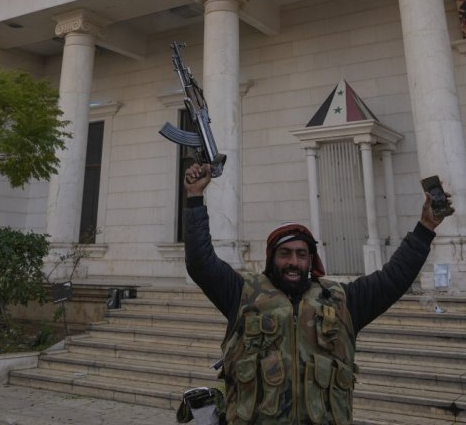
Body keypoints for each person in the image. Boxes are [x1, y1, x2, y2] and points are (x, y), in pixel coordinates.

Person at [182, 162, 445, 425]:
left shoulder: (340, 300)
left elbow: (393, 279)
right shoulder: (243, 294)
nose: (293, 262)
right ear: (272, 258)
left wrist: (425, 227)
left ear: (311, 260)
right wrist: (194, 197)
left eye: (301, 254)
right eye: (285, 254)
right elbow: (200, 263)